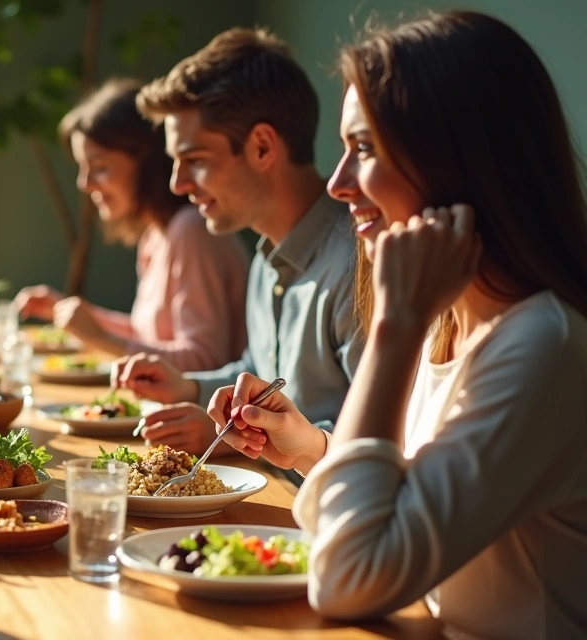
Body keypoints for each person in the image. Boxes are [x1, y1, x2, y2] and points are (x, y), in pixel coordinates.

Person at [208, 12, 587, 637]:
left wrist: (392, 327)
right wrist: (313, 452)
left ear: (456, 160)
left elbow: (346, 576)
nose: (337, 184)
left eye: (364, 150)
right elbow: (393, 507)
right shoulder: (451, 323)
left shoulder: (540, 348)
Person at [110, 28, 362, 466]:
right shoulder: (266, 256)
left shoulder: (359, 266)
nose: (178, 184)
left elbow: (382, 444)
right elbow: (261, 369)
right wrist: (189, 388)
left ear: (262, 146)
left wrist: (227, 432)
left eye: (196, 161)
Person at [13, 79, 248, 372]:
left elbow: (204, 362)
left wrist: (100, 337)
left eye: (99, 167)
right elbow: (146, 336)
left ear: (146, 162)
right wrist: (69, 312)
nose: (84, 184)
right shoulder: (155, 235)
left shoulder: (192, 231)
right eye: (82, 168)